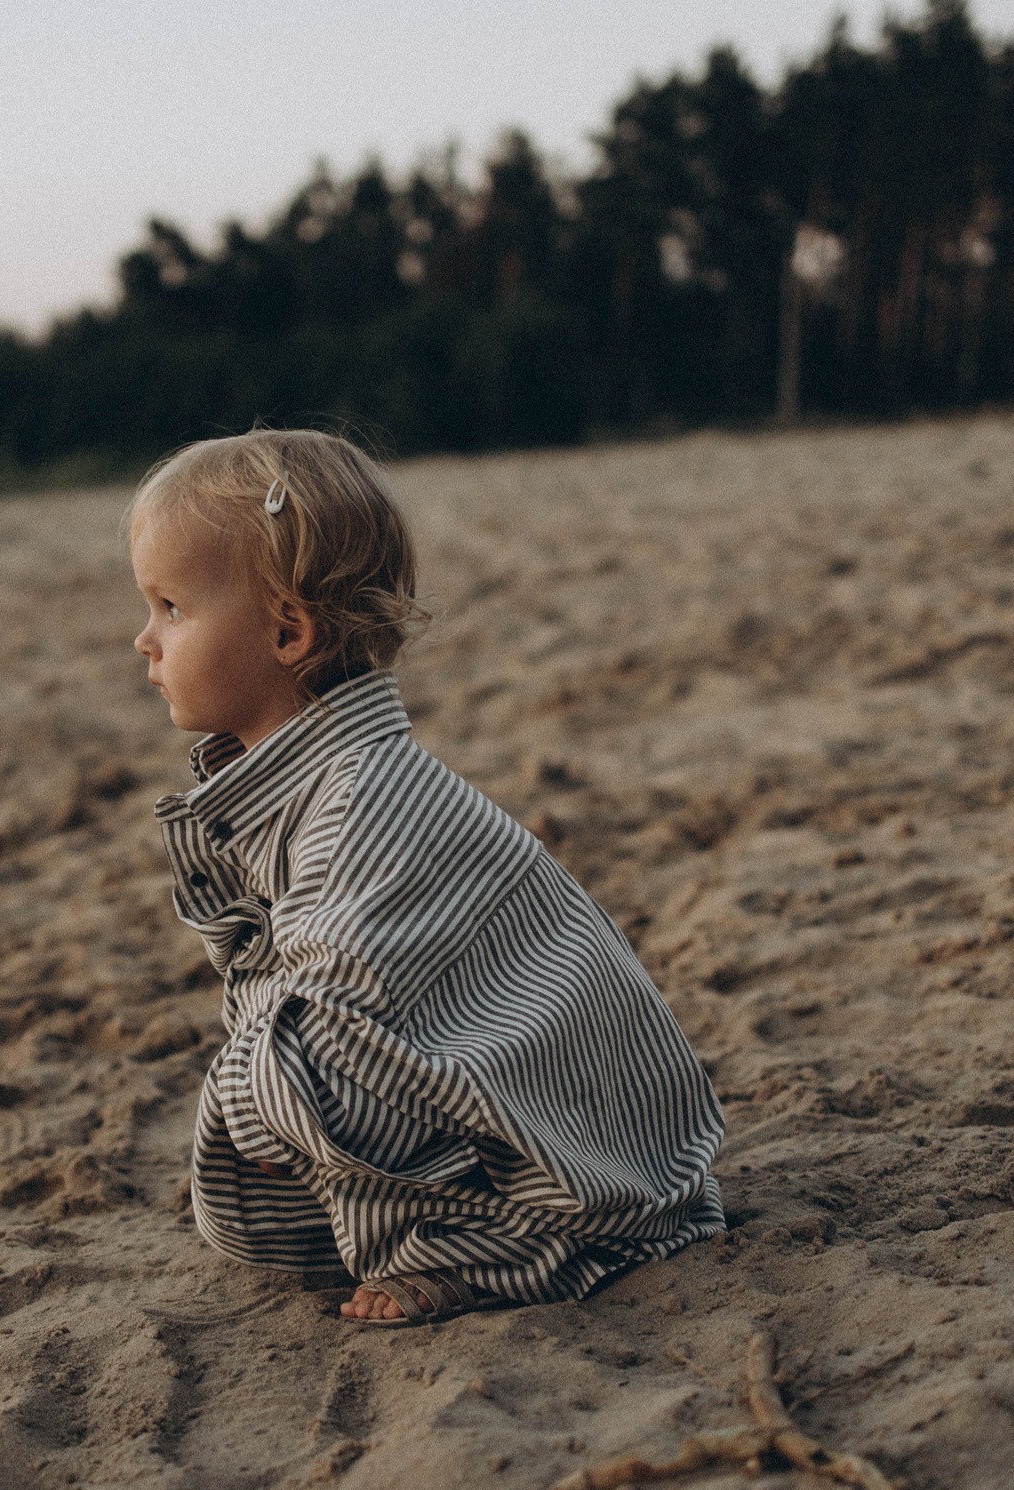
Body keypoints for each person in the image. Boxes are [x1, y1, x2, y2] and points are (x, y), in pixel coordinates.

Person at [130, 429, 725, 1327]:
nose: (145, 640)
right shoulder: (314, 779)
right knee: (282, 1081)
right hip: (533, 1100)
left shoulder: (361, 803)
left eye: (171, 607)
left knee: (307, 1065)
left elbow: (338, 1023)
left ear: (289, 630)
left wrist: (255, 1107)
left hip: (580, 1162)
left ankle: (473, 1252)